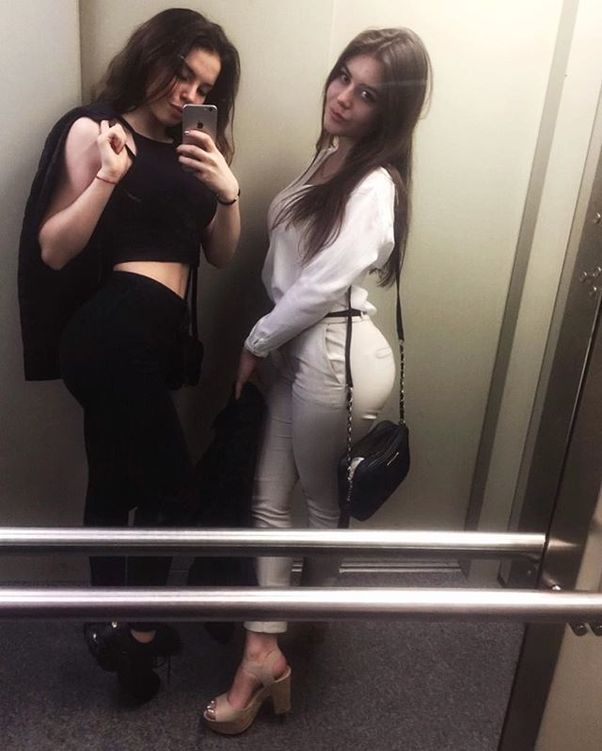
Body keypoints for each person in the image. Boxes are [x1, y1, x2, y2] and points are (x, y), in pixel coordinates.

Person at [202, 27, 431, 734]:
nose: (345, 97)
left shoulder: (375, 184)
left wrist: (255, 341)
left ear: (391, 112)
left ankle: (272, 648)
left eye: (368, 94)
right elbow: (293, 273)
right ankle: (283, 634)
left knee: (320, 505)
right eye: (343, 77)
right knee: (269, 499)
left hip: (331, 353)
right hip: (300, 346)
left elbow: (324, 282)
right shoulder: (331, 155)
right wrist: (270, 340)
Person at [19, 8, 241, 702]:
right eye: (181, 72)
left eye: (203, 86)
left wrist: (228, 191)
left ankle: (114, 630)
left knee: (114, 484)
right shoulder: (96, 129)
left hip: (154, 338)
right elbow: (53, 249)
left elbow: (220, 253)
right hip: (111, 331)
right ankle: (137, 631)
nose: (187, 93)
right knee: (176, 493)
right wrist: (107, 178)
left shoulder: (196, 151)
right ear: (152, 54)